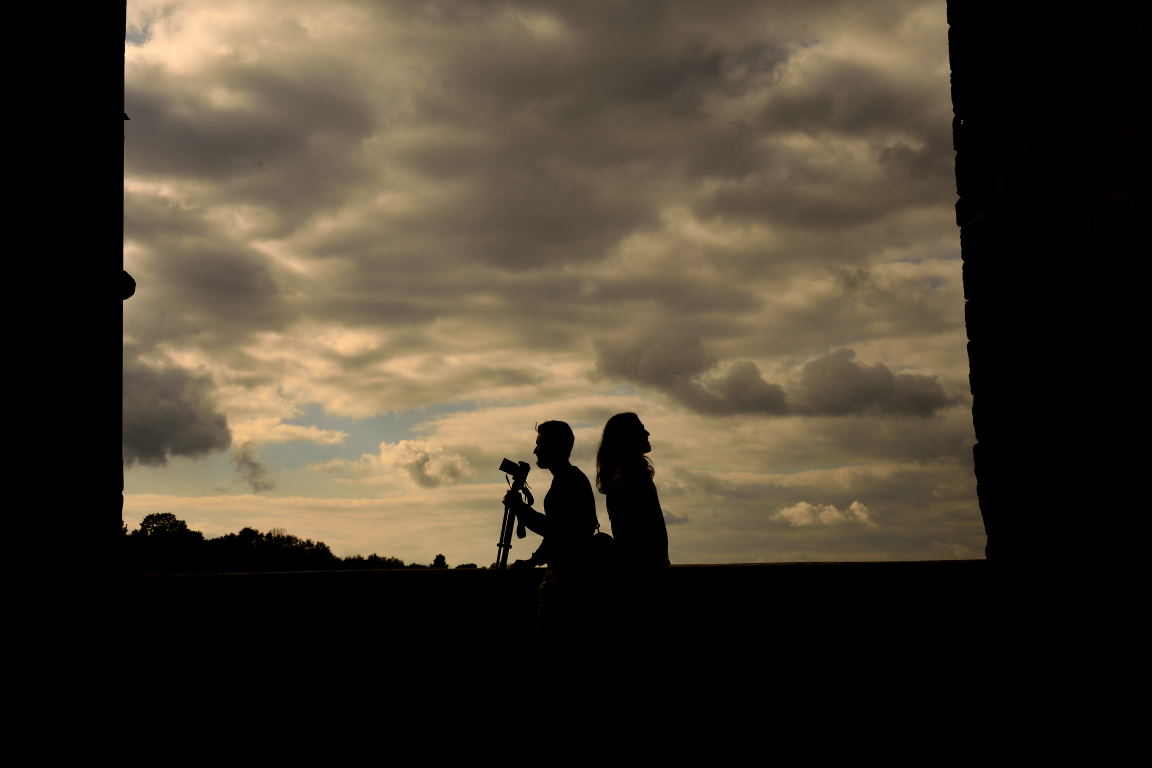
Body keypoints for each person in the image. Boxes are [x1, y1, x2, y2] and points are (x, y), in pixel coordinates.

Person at [503, 420, 599, 639]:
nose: (535, 450)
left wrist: (520, 509)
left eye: (541, 444)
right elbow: (559, 533)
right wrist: (534, 560)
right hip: (569, 577)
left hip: (568, 581)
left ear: (555, 447)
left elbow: (558, 531)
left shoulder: (568, 481)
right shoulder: (570, 479)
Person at [595, 412, 670, 637]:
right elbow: (634, 535)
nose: (647, 433)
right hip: (642, 577)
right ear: (627, 438)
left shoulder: (626, 477)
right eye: (641, 430)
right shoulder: (630, 479)